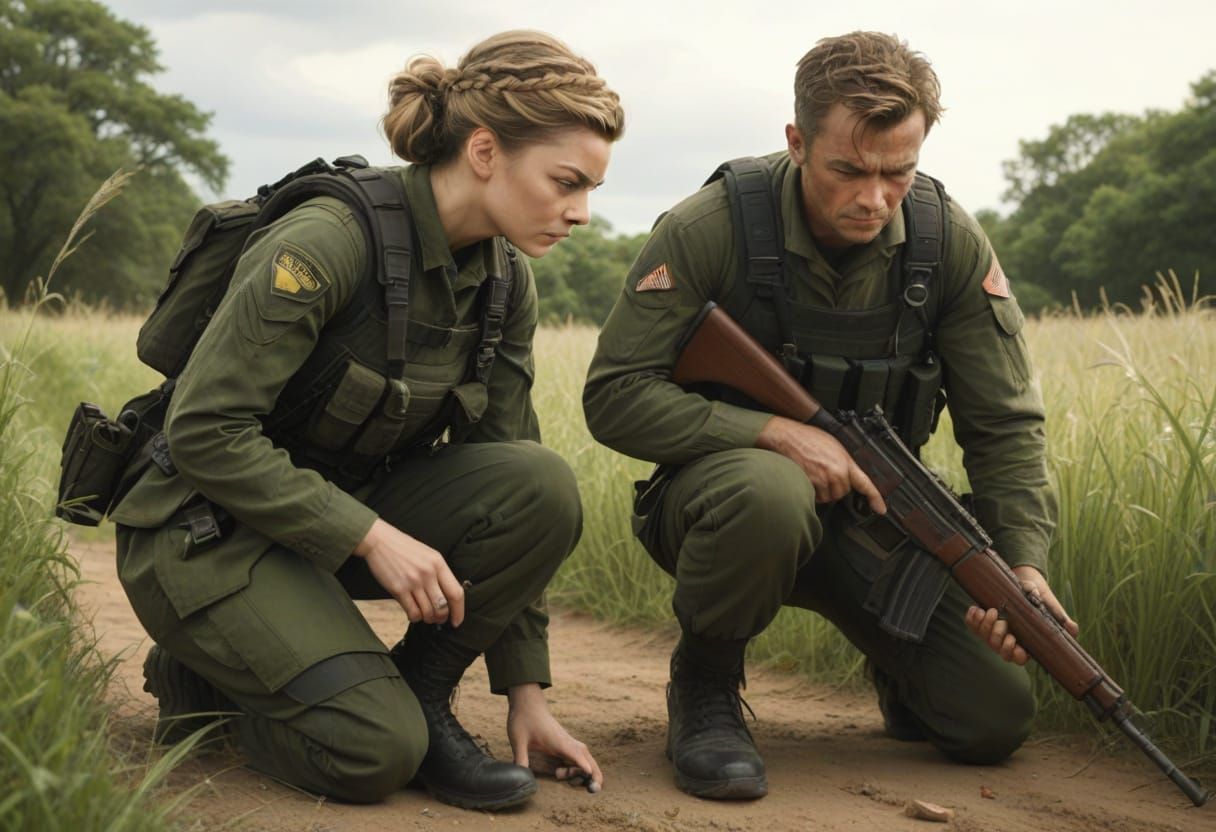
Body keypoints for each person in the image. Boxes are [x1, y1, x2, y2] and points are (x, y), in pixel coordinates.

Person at [111, 30, 623, 810]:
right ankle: (207, 693)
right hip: (199, 530)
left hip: (320, 524)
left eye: (589, 189)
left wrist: (528, 694)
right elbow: (205, 432)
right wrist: (371, 536)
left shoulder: (503, 281)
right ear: (484, 151)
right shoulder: (328, 240)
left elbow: (505, 458)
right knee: (374, 753)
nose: (581, 213)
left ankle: (422, 693)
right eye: (566, 182)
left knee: (540, 484)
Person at [582, 31, 1076, 800]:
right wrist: (774, 433)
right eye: (849, 169)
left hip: (879, 520)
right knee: (769, 491)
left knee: (992, 722)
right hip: (728, 511)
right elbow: (613, 394)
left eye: (898, 172)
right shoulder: (710, 227)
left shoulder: (947, 243)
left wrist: (1022, 567)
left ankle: (898, 666)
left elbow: (1004, 425)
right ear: (797, 141)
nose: (874, 198)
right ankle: (706, 687)